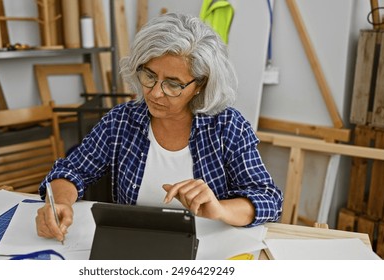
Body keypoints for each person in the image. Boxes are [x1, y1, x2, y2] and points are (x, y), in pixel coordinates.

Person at [36, 13, 283, 243]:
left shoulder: (227, 126)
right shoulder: (121, 121)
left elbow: (268, 198)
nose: (155, 93)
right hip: (135, 247)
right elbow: (72, 170)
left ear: (200, 85)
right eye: (150, 76)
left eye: (173, 84)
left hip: (208, 251)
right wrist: (60, 203)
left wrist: (220, 209)